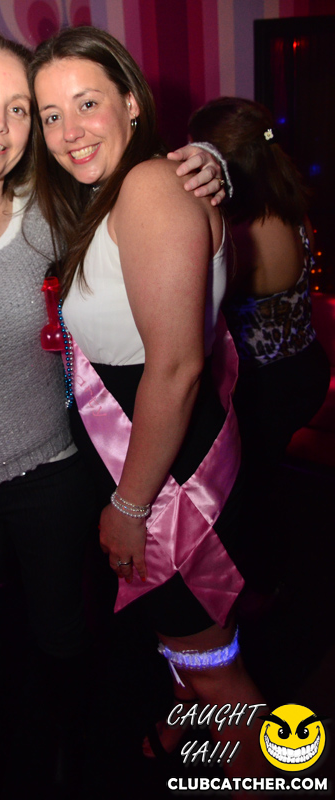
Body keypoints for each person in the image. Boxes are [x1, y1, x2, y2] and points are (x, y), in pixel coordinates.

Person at [0, 28, 224, 796]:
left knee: (64, 638)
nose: (0, 123)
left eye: (20, 108)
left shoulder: (48, 211)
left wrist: (214, 161)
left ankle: (64, 759)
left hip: (60, 472)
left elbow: (138, 192)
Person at [29, 26, 270, 786]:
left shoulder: (149, 187)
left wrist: (129, 507)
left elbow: (174, 366)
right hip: (164, 465)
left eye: (87, 103)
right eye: (51, 114)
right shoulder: (124, 189)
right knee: (196, 647)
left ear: (131, 102)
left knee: (219, 674)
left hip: (167, 489)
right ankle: (183, 721)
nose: (69, 131)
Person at [187, 97, 330, 595]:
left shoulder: (243, 231)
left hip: (266, 385)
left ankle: (263, 590)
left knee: (250, 496)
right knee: (266, 482)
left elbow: (199, 307)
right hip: (306, 367)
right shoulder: (292, 210)